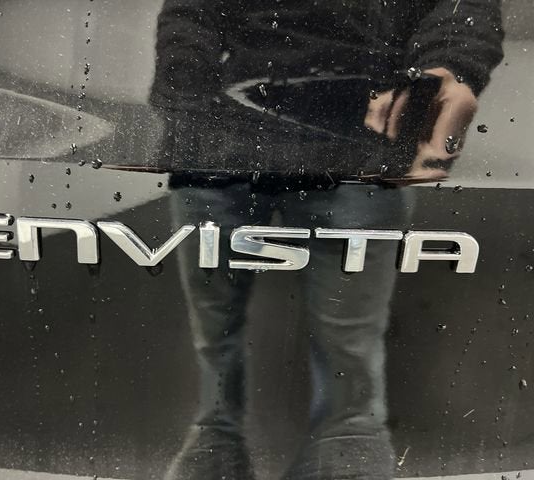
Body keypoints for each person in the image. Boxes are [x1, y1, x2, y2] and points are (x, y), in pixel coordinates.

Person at [150, 1, 503, 479]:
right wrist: (185, 93)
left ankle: (238, 438)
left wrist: (446, 70)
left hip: (354, 140)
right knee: (245, 332)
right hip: (229, 139)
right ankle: (231, 437)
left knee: (330, 344)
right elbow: (189, 14)